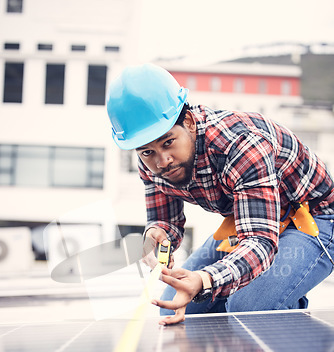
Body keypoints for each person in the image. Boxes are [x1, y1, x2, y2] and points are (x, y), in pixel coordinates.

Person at [106, 63, 334, 325]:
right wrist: (157, 234)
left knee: (249, 307)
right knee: (174, 306)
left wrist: (205, 280)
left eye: (168, 142)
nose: (162, 161)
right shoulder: (152, 162)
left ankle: (297, 345)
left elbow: (260, 242)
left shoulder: (240, 145)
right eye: (147, 152)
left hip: (316, 219)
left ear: (189, 123)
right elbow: (166, 222)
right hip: (250, 221)